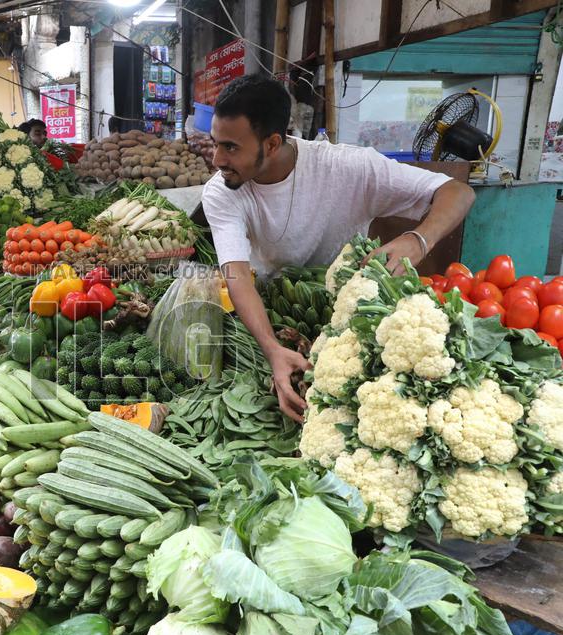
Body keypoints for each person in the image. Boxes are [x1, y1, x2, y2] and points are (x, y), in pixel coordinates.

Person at [201, 75, 475, 423]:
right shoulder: (221, 192)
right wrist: (272, 351)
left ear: (271, 144)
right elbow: (237, 275)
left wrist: (418, 240)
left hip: (354, 316)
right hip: (277, 313)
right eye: (215, 144)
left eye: (231, 147)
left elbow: (458, 192)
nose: (216, 159)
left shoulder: (349, 167)